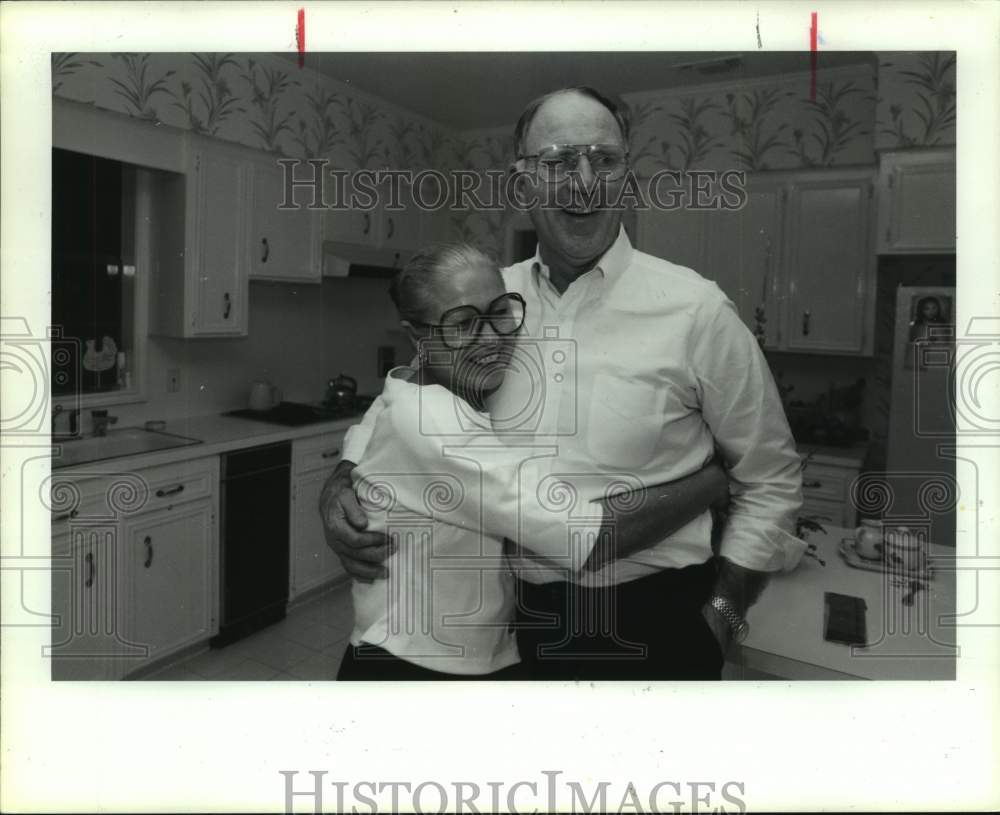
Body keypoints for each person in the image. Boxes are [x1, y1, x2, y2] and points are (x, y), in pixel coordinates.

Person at [324, 86, 804, 680]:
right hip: (517, 624)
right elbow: (401, 405)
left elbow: (771, 477)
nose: (583, 182)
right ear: (522, 186)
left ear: (625, 179)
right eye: (556, 162)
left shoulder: (697, 311)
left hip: (657, 618)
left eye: (603, 160)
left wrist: (724, 613)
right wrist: (341, 483)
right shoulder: (490, 303)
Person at [337, 243, 728, 680]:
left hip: (478, 654)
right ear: (416, 338)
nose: (491, 338)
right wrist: (715, 478)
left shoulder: (442, 385)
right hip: (412, 667)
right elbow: (591, 539)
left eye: (499, 312)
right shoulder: (437, 426)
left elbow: (389, 404)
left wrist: (347, 467)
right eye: (464, 324)